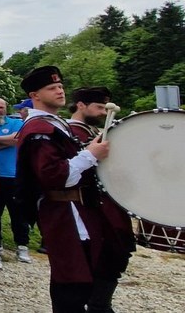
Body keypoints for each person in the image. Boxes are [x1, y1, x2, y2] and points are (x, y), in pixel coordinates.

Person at [17, 68, 134, 313]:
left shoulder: (55, 124)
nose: (59, 90)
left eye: (60, 86)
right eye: (52, 88)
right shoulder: (39, 129)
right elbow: (54, 177)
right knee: (70, 286)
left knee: (84, 280)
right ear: (34, 95)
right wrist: (91, 154)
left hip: (78, 211)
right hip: (64, 215)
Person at [0, 97, 30, 266]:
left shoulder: (17, 123)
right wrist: (5, 141)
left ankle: (22, 245)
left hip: (13, 175)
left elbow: (17, 140)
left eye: (1, 107)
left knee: (18, 213)